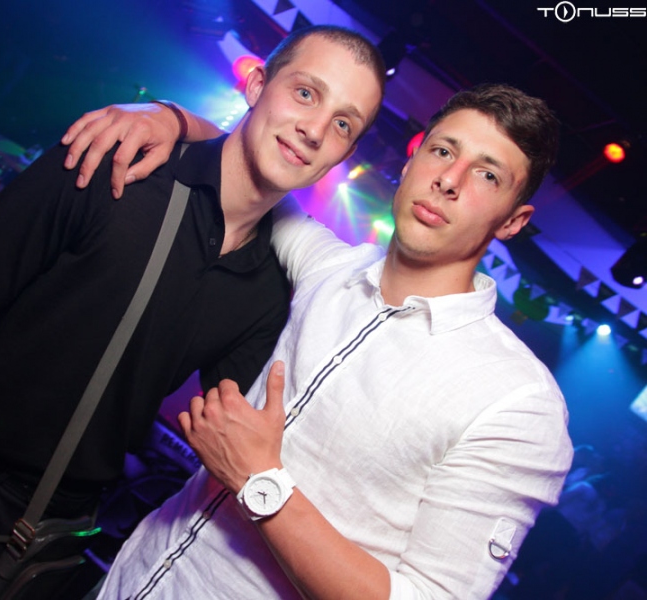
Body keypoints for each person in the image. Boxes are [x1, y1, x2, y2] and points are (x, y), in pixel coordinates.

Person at [0, 25, 385, 598]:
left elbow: (239, 426)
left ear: (344, 153)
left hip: (57, 529)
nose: (313, 129)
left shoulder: (267, 290)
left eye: (342, 123)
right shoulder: (117, 162)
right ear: (256, 86)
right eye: (305, 93)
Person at [62, 83, 573, 599]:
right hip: (123, 582)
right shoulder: (332, 268)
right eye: (443, 151)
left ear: (513, 221)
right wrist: (169, 118)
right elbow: (249, 168)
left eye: (487, 175)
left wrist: (259, 481)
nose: (449, 180)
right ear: (412, 161)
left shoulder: (517, 401)